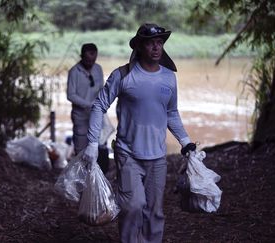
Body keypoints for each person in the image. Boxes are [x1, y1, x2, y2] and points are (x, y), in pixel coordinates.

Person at [82, 23, 196, 242]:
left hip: (157, 158)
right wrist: (92, 143)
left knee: (155, 213)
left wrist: (186, 142)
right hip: (128, 155)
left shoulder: (169, 78)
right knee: (133, 207)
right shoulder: (123, 75)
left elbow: (171, 112)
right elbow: (99, 106)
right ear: (140, 47)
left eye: (160, 43)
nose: (156, 47)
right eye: (151, 43)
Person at [66, 43, 110, 173]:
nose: (91, 63)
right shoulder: (74, 72)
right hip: (80, 117)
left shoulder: (98, 69)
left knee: (99, 145)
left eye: (93, 60)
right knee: (81, 150)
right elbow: (70, 95)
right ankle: (81, 179)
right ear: (81, 57)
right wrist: (88, 104)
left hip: (96, 115)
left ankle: (97, 176)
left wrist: (103, 103)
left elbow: (101, 89)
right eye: (88, 60)